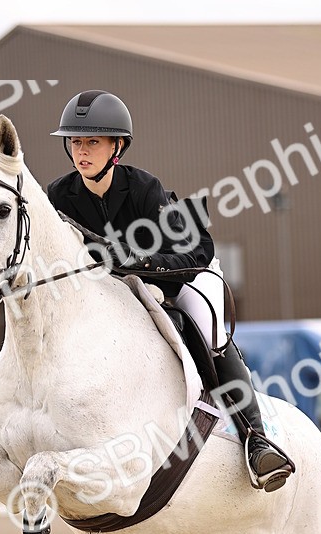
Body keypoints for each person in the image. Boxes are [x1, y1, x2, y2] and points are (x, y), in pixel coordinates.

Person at [47, 89, 294, 492]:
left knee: (209, 332)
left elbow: (197, 251)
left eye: (92, 141)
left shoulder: (145, 188)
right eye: (75, 141)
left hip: (180, 278)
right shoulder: (58, 196)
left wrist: (140, 263)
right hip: (111, 293)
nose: (82, 151)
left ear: (117, 147)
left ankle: (256, 440)